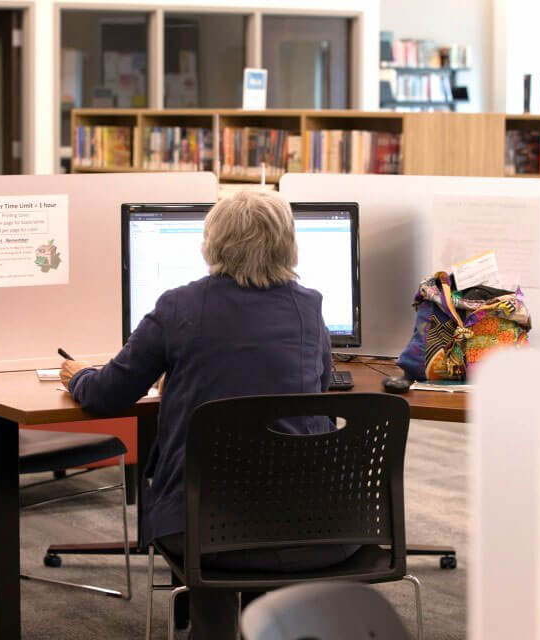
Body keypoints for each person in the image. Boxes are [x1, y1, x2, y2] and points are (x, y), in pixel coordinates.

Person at [60, 190, 356, 640]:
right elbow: (315, 388)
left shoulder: (177, 307)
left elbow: (108, 395)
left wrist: (78, 375)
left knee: (215, 503)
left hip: (203, 529)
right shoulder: (310, 308)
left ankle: (213, 628)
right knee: (256, 488)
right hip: (312, 528)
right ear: (288, 244)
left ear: (212, 243)